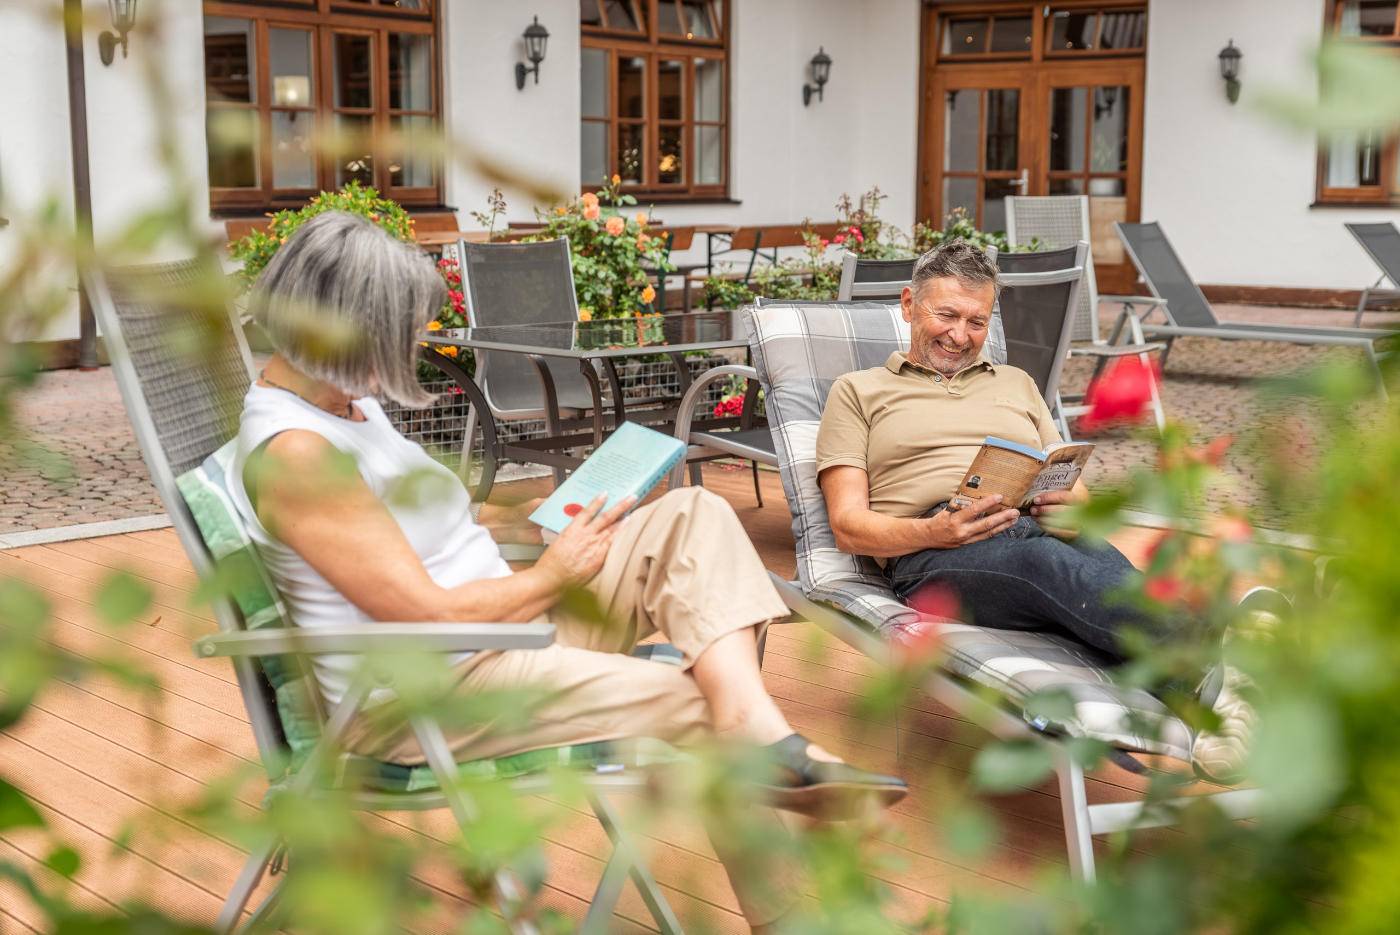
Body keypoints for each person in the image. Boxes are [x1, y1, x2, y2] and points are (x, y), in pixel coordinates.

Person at [227, 211, 905, 929]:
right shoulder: (298, 455)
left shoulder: (343, 403)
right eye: (393, 334)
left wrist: (537, 532)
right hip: (433, 691)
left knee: (693, 517)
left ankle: (757, 728)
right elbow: (418, 611)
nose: (406, 350)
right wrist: (552, 575)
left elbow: (413, 544)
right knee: (693, 700)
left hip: (504, 631)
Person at [814, 239, 1254, 781]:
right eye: (946, 314)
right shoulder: (858, 392)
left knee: (1102, 580)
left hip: (1035, 527)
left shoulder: (1017, 383)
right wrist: (935, 530)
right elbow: (847, 526)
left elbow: (1076, 494)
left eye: (977, 321)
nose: (960, 335)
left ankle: (1215, 720)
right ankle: (1227, 649)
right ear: (909, 305)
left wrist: (1067, 506)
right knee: (1049, 567)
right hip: (933, 552)